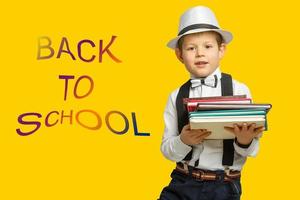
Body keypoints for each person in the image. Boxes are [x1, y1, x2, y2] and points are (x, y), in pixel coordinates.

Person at [158, 6, 265, 200]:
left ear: (221, 50)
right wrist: (183, 141)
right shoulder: (175, 96)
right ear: (180, 55)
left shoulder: (239, 90)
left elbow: (252, 149)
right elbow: (167, 149)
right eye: (191, 48)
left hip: (224, 186)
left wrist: (245, 140)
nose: (200, 53)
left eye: (207, 46)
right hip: (182, 181)